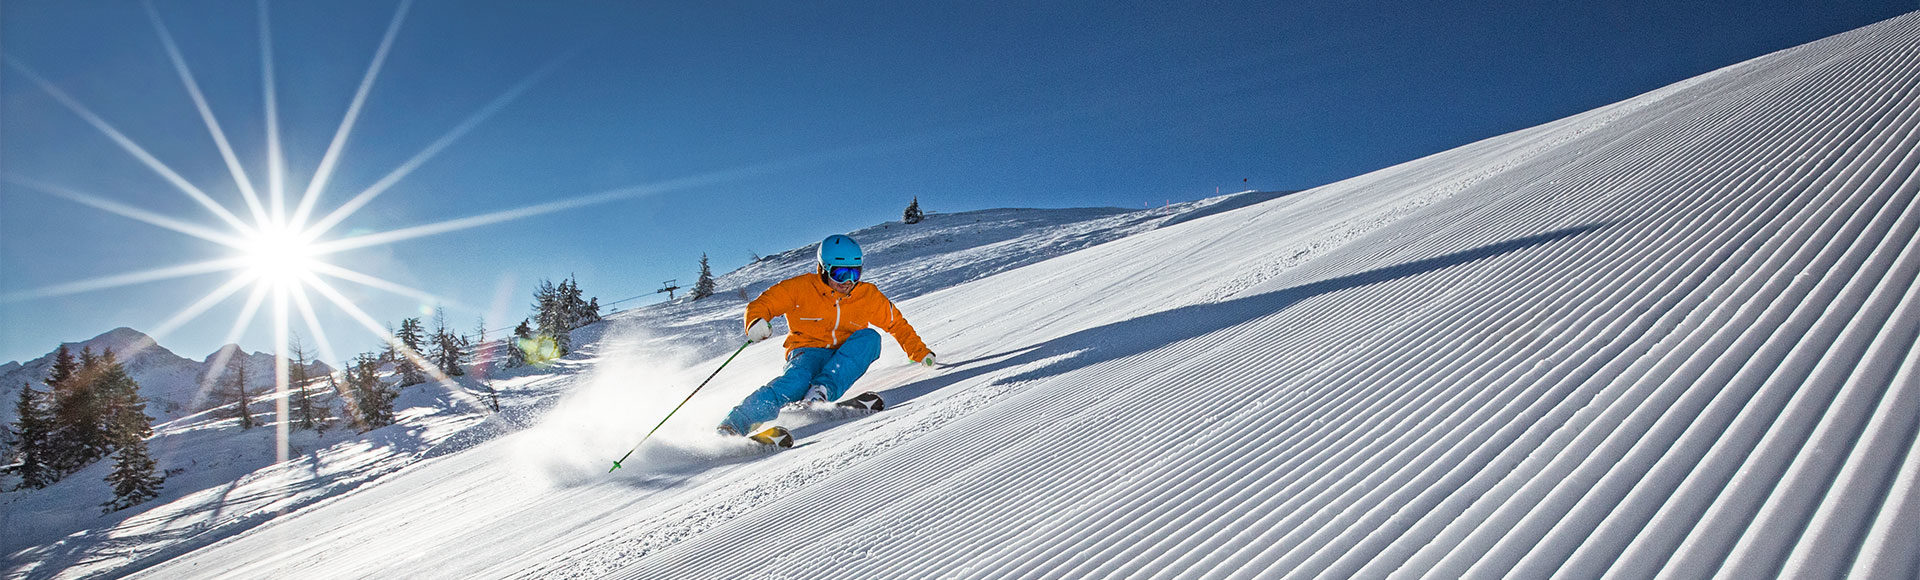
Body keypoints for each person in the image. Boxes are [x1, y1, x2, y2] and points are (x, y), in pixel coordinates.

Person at [717, 234, 936, 437]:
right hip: (807, 352)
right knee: (795, 382)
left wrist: (919, 352)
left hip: (844, 355)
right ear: (823, 269)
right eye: (840, 273)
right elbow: (763, 304)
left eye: (855, 273)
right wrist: (755, 321)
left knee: (870, 338)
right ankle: (733, 425)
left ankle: (819, 393)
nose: (848, 281)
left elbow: (897, 324)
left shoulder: (868, 295)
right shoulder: (800, 288)